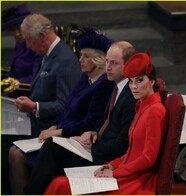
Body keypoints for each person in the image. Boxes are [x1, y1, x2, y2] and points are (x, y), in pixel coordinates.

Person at [8, 28, 115, 194]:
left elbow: (90, 123)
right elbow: (67, 109)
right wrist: (53, 127)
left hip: (77, 142)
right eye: (81, 55)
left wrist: (58, 132)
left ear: (98, 59)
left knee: (17, 156)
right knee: (13, 150)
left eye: (86, 56)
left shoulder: (104, 85)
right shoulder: (85, 79)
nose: (80, 60)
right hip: (61, 133)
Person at [44, 51, 168, 195]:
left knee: (61, 185)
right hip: (126, 170)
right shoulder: (142, 106)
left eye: (139, 80)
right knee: (59, 182)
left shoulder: (155, 111)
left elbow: (148, 158)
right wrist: (110, 165)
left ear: (152, 81)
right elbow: (131, 152)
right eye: (130, 81)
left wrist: (116, 172)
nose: (134, 86)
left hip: (137, 179)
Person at [23, 41, 136, 194]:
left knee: (52, 151)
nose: (108, 67)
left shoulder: (130, 95)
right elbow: (105, 124)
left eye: (114, 63)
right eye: (107, 61)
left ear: (128, 65)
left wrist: (92, 145)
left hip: (107, 158)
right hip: (98, 147)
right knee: (52, 147)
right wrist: (93, 134)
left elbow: (123, 145)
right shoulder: (116, 87)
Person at [1, 13, 81, 194]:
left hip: (48, 127)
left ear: (43, 36)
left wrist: (35, 106)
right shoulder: (46, 54)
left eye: (28, 40)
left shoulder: (65, 61)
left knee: (4, 146)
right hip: (33, 121)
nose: (27, 46)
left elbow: (65, 106)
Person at [1, 4, 42, 96]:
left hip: (31, 97)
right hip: (12, 94)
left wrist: (13, 82)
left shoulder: (40, 46)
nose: (16, 34)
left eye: (19, 28)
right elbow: (15, 70)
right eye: (12, 30)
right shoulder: (20, 43)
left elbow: (38, 78)